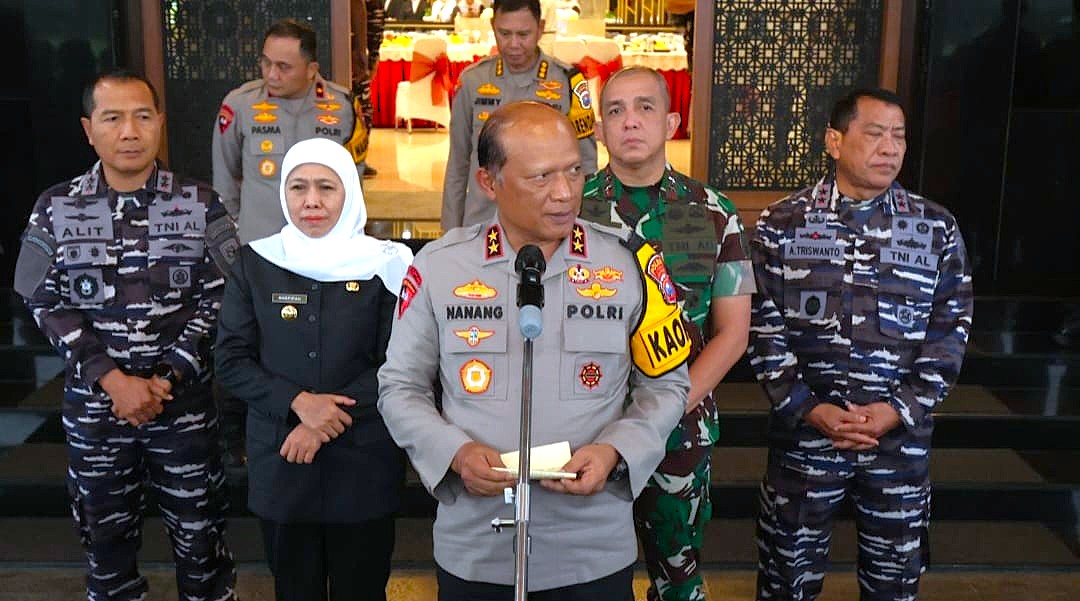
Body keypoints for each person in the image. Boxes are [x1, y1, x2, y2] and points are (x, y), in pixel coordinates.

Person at [379, 101, 689, 599]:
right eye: (541, 177)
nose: (565, 192)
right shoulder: (439, 268)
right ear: (489, 182)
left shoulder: (630, 265)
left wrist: (615, 450)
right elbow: (400, 387)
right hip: (477, 548)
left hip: (590, 549)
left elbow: (667, 385)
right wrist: (453, 453)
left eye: (574, 171)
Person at [13, 70, 238, 601]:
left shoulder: (200, 203)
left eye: (142, 116)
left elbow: (224, 298)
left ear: (160, 122)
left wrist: (166, 376)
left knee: (202, 546)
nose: (130, 131)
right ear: (89, 129)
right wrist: (112, 380)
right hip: (97, 416)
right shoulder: (56, 206)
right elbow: (41, 298)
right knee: (105, 548)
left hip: (182, 412)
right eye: (113, 118)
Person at [747, 88, 974, 600]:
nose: (889, 148)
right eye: (874, 134)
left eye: (899, 136)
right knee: (786, 582)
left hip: (897, 447)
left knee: (893, 585)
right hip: (805, 443)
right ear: (834, 141)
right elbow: (761, 326)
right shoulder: (782, 223)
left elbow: (950, 331)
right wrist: (809, 408)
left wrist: (897, 410)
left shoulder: (935, 227)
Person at [580, 66, 754, 601]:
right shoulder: (572, 211)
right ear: (600, 130)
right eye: (615, 111)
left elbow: (733, 333)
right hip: (588, 430)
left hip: (679, 430)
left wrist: (669, 406)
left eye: (645, 107)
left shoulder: (715, 213)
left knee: (677, 578)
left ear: (672, 123)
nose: (630, 121)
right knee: (585, 580)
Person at [215, 138, 412, 601]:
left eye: (327, 187)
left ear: (350, 194)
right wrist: (298, 404)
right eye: (298, 187)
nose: (312, 201)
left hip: (363, 461)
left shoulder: (388, 264)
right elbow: (231, 360)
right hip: (283, 458)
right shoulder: (255, 262)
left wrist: (320, 423)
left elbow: (401, 362)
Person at [441, 0, 598, 231]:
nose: (513, 44)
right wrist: (451, 231)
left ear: (540, 28)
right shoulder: (473, 81)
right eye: (504, 33)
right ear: (493, 26)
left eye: (524, 34)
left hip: (546, 224)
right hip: (483, 223)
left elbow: (587, 165)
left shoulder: (568, 82)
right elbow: (458, 162)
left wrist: (586, 229)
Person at [212, 18, 367, 245]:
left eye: (283, 67)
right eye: (266, 63)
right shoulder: (239, 105)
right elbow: (225, 181)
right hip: (260, 245)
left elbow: (354, 183)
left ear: (311, 70)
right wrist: (237, 230)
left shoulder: (344, 108)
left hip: (325, 247)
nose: (271, 74)